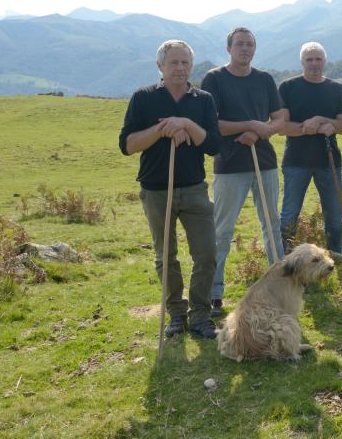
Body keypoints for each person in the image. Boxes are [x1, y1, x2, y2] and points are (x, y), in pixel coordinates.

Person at [119, 40, 221, 339]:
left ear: (192, 65)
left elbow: (214, 145)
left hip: (194, 189)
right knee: (166, 256)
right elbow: (127, 145)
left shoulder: (203, 100)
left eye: (185, 62)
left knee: (206, 254)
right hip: (156, 190)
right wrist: (161, 130)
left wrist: (186, 123)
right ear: (160, 66)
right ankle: (176, 313)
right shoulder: (143, 97)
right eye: (174, 62)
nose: (180, 68)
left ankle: (200, 315)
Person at [201, 28, 285, 318]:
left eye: (250, 44)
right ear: (229, 48)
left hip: (265, 162)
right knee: (222, 230)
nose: (245, 49)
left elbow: (280, 118)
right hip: (229, 164)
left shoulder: (264, 79)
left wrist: (261, 131)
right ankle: (214, 294)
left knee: (271, 224)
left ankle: (280, 287)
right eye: (239, 44)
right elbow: (212, 123)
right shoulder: (214, 79)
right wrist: (250, 124)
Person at [277, 42, 342, 256]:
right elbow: (282, 127)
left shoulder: (336, 89)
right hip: (296, 162)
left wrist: (319, 119)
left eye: (318, 59)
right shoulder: (287, 87)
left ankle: (335, 256)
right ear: (302, 62)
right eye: (309, 59)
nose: (314, 63)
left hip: (329, 162)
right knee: (289, 215)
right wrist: (317, 128)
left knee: (334, 216)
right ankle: (285, 258)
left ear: (324, 61)